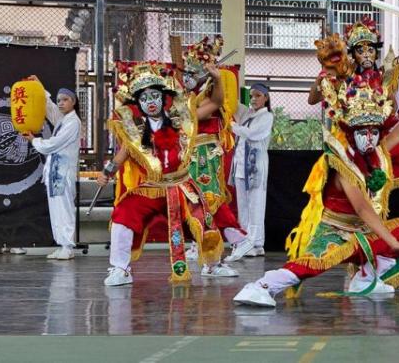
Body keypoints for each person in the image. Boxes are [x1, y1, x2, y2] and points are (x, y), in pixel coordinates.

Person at [233, 70, 399, 308]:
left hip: (361, 234)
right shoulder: (343, 163)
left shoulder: (374, 152)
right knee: (310, 266)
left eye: (374, 132)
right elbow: (363, 208)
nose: (369, 139)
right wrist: (390, 240)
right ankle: (261, 287)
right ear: (350, 132)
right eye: (363, 133)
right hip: (334, 232)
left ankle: (364, 278)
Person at [99, 61, 243, 286]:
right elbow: (121, 155)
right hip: (152, 188)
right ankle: (120, 269)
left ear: (163, 97)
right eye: (144, 99)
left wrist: (215, 78)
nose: (151, 102)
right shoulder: (135, 131)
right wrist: (107, 173)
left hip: (182, 185)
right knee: (123, 214)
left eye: (154, 96)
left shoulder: (182, 120)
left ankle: (213, 265)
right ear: (139, 103)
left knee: (202, 222)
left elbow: (215, 102)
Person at [180, 36, 255, 263]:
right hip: (190, 153)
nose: (187, 77)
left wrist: (215, 79)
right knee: (194, 200)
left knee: (207, 199)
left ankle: (234, 242)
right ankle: (201, 243)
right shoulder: (190, 96)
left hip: (204, 155)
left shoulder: (209, 94)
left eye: (193, 72)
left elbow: (196, 114)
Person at [20, 82, 81, 260]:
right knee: (56, 209)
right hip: (55, 171)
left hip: (63, 172)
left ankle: (67, 246)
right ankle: (61, 244)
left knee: (64, 208)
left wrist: (34, 140)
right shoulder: (63, 120)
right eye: (59, 100)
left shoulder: (73, 123)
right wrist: (40, 87)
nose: (61, 103)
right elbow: (51, 109)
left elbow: (52, 145)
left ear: (73, 102)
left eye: (65, 100)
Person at [231, 83, 274, 257]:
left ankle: (256, 242)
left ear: (266, 98)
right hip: (240, 166)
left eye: (258, 96)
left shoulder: (267, 116)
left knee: (256, 204)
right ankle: (245, 241)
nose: (254, 99)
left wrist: (232, 127)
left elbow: (252, 134)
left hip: (255, 166)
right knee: (243, 205)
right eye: (252, 96)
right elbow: (231, 104)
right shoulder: (246, 113)